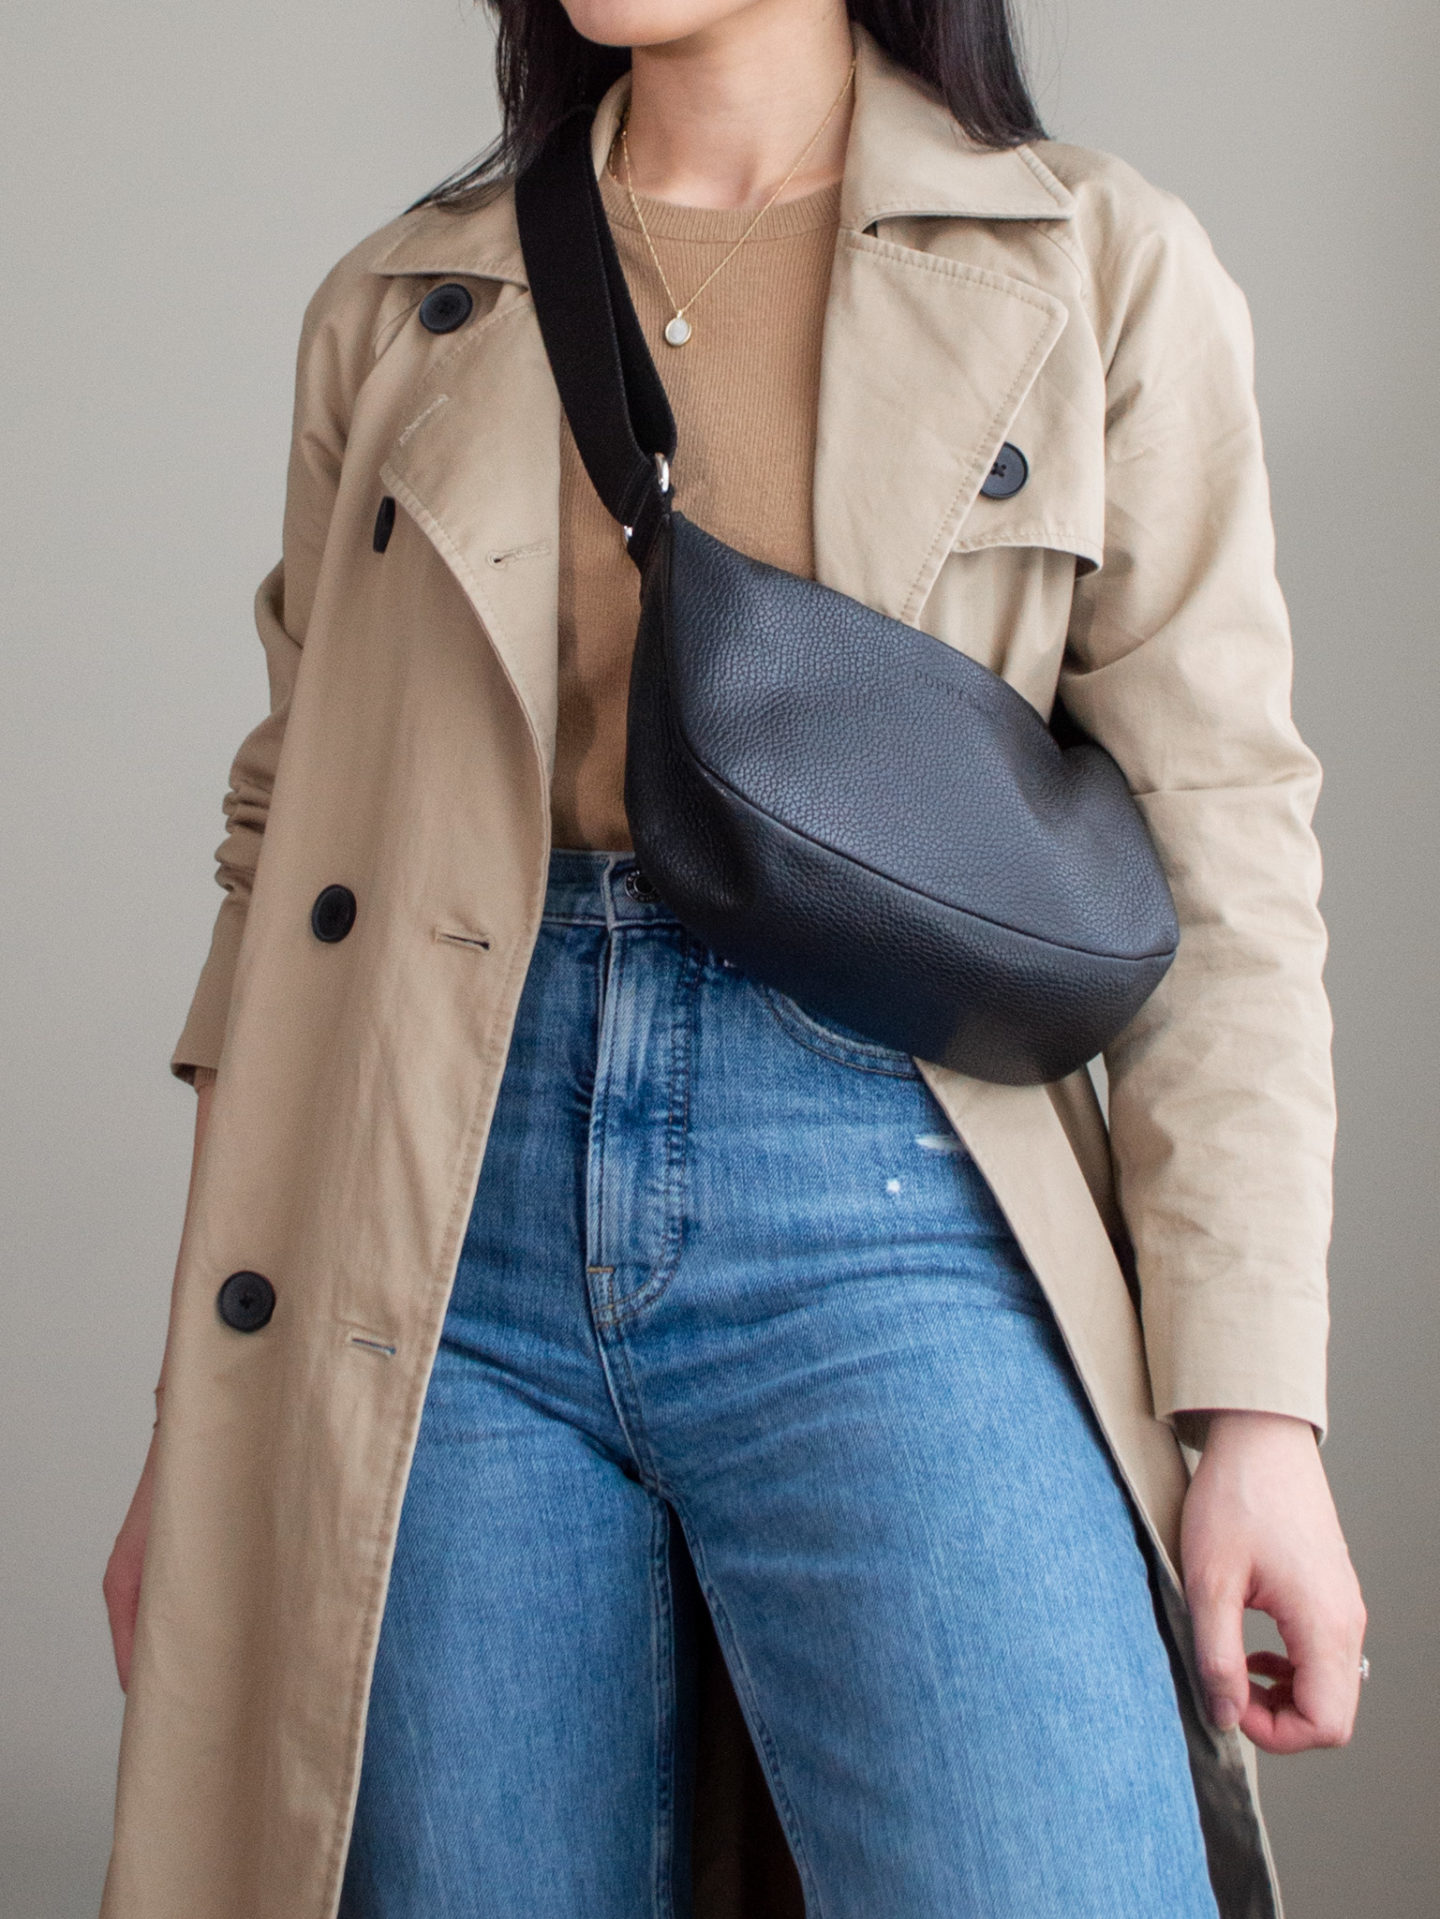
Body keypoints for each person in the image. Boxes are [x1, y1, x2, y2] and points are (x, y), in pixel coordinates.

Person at [101, 1, 1367, 1914]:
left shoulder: (1096, 261)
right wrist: (203, 1424)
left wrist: (1255, 1415)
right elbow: (283, 873)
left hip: (897, 1195)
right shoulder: (402, 305)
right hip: (437, 1240)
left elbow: (1229, 862)